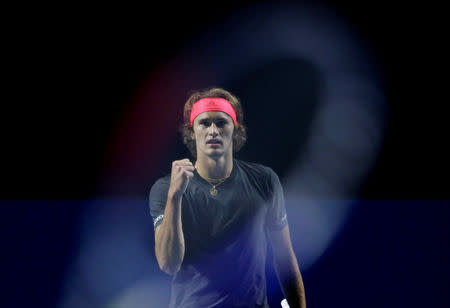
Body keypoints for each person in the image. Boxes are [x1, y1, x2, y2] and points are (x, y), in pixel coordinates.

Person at [149, 87, 306, 308]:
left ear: (235, 129)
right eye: (204, 123)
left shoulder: (264, 180)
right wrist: (175, 196)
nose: (213, 130)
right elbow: (168, 263)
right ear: (192, 131)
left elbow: (285, 259)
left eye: (222, 122)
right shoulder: (165, 188)